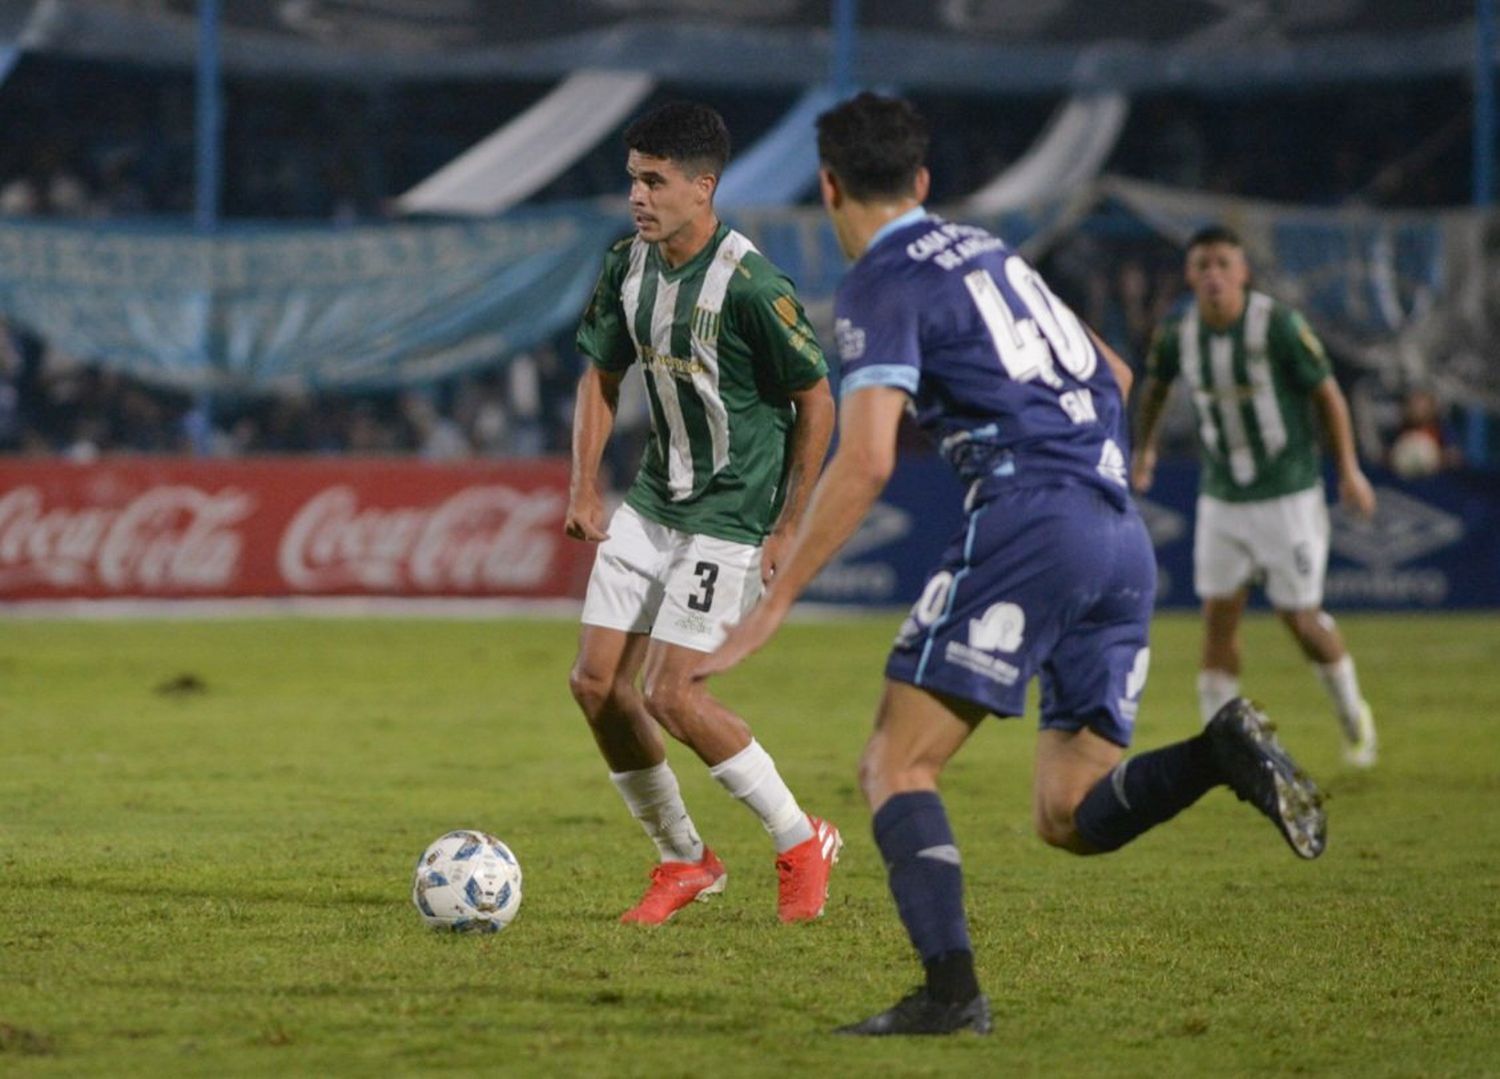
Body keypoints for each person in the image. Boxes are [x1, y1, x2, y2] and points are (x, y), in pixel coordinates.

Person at [695, 92, 1328, 1036]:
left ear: (828, 187)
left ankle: (951, 997)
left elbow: (866, 458)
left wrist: (774, 602)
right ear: (922, 181)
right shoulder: (990, 250)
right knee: (1068, 811)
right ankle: (1216, 751)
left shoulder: (880, 282)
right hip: (1121, 534)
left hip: (1034, 520)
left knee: (894, 766)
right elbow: (1113, 377)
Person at [566, 101, 841, 927]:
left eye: (655, 181)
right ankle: (686, 859)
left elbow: (818, 401)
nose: (639, 197)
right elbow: (601, 376)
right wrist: (585, 482)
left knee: (671, 694)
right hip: (654, 499)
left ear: (703, 186)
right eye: (633, 180)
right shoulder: (628, 265)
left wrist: (789, 523)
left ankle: (801, 839)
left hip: (730, 515)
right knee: (594, 685)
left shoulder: (752, 284)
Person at [1131, 225, 1379, 767]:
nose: (1213, 274)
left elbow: (1328, 395)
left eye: (1223, 263)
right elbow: (1154, 389)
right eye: (1202, 265)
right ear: (1190, 275)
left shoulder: (1278, 325)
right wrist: (1144, 450)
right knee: (1218, 620)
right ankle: (1221, 751)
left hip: (1287, 495)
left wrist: (1350, 471)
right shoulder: (1179, 333)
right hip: (1220, 497)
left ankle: (1353, 716)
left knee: (1301, 621)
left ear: (1243, 272)